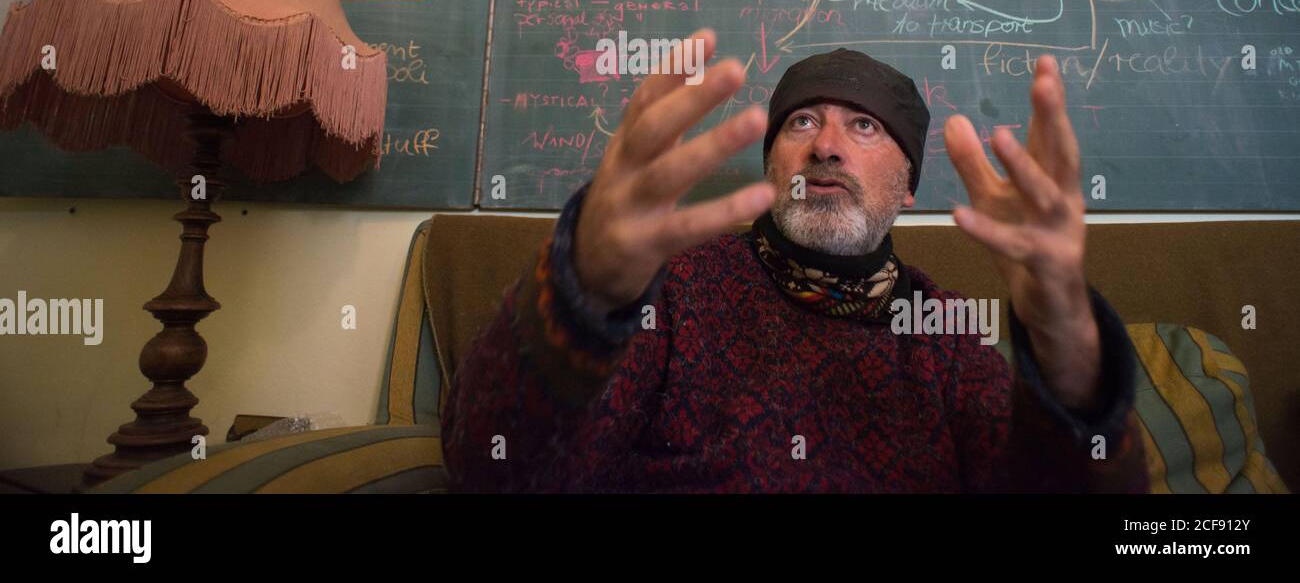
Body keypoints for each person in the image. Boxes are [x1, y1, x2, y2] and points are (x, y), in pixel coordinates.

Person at [441, 30, 1148, 492]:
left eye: (864, 125)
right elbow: (494, 468)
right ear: (772, 161)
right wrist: (582, 294)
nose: (827, 146)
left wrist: (1065, 343)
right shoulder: (672, 293)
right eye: (803, 121)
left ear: (908, 186)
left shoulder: (949, 338)